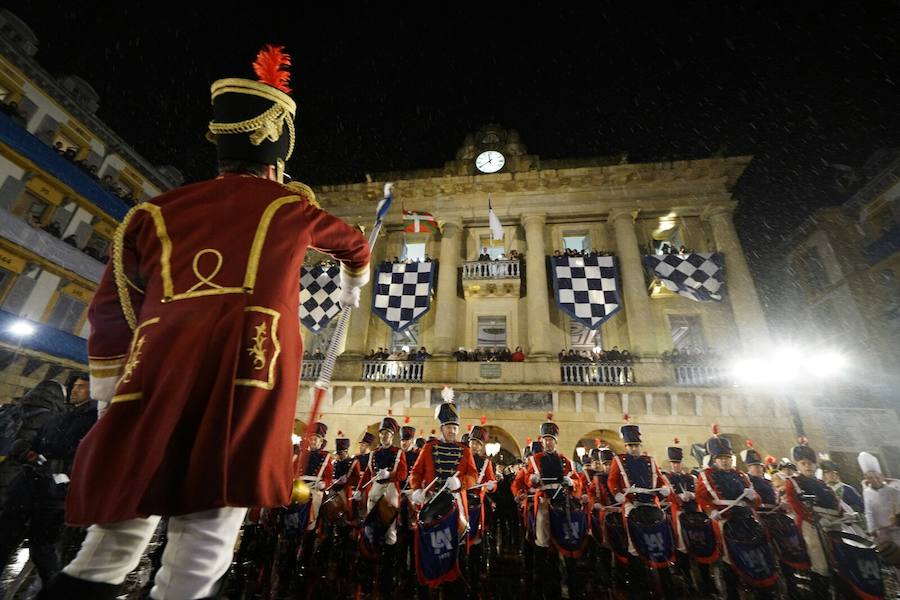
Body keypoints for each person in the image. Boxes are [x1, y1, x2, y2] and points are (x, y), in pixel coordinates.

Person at [41, 46, 370, 600]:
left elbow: (111, 307)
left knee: (113, 541)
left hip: (151, 377)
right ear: (276, 155)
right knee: (203, 544)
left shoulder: (152, 212)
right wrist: (352, 282)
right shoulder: (288, 206)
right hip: (246, 371)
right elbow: (355, 245)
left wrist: (110, 393)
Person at [408, 387, 478, 597]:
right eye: (448, 427)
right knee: (430, 543)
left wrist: (461, 482)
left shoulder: (465, 450)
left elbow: (473, 475)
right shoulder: (429, 448)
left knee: (456, 542)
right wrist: (417, 490)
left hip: (455, 499)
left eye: (455, 427)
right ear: (442, 428)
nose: (452, 431)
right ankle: (429, 580)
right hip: (432, 499)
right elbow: (416, 472)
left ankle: (454, 581)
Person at [0, 379, 68, 588]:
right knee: (37, 543)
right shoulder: (50, 417)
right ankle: (54, 587)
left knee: (5, 535)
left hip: (8, 475)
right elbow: (30, 450)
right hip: (19, 480)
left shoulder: (15, 409)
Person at [522, 416, 583, 599]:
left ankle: (568, 574)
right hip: (544, 502)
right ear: (542, 441)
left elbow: (578, 483)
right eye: (545, 439)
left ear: (556, 442)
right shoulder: (535, 460)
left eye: (551, 440)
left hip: (562, 503)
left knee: (566, 535)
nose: (548, 443)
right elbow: (526, 479)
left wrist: (571, 481)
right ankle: (540, 577)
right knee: (542, 538)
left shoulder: (565, 461)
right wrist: (531, 479)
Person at [782, 437, 843, 596]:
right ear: (797, 465)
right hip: (810, 524)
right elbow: (797, 506)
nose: (808, 466)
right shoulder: (793, 482)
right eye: (803, 463)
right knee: (819, 563)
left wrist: (841, 515)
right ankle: (820, 593)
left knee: (835, 561)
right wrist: (815, 520)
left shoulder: (822, 484)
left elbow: (834, 503)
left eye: (810, 463)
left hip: (831, 524)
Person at [358, 413, 407, 596]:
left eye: (387, 433)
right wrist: (359, 489)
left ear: (392, 436)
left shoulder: (399, 453)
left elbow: (402, 475)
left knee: (389, 531)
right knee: (371, 529)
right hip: (375, 492)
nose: (384, 436)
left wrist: (390, 475)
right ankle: (370, 568)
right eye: (382, 433)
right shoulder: (373, 454)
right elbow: (367, 475)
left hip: (390, 493)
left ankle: (388, 571)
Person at [465, 420, 496, 598]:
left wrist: (491, 485)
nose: (475, 446)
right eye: (473, 442)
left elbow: (492, 483)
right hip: (461, 502)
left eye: (478, 443)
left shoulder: (486, 464)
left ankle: (475, 576)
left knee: (476, 540)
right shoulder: (461, 458)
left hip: (477, 505)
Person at [857, 452, 900, 548]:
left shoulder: (894, 490)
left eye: (877, 477)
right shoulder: (867, 492)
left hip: (896, 530)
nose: (875, 480)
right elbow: (868, 512)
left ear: (882, 476)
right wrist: (871, 529)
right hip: (880, 532)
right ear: (866, 478)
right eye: (870, 478)